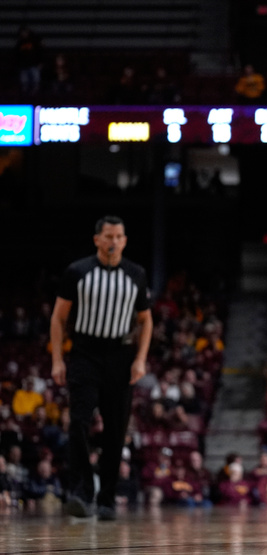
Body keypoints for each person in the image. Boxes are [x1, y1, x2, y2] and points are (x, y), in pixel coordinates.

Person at [50, 216, 153, 520]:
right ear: (97, 239)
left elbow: (146, 321)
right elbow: (58, 317)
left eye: (119, 236)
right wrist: (57, 359)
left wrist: (140, 358)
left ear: (125, 240)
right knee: (79, 421)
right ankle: (81, 492)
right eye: (108, 236)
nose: (113, 241)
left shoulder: (136, 274)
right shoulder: (77, 271)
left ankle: (107, 498)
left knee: (116, 429)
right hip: (85, 352)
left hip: (120, 354)